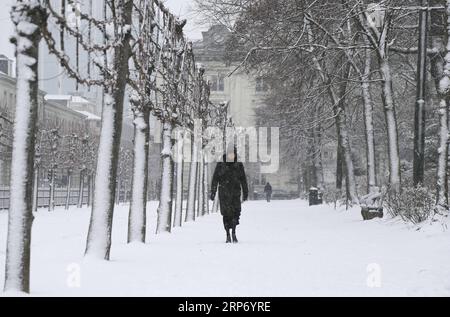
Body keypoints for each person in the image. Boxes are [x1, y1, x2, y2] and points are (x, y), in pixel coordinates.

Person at [210, 146, 248, 243]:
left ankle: (234, 232)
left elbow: (243, 180)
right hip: (224, 194)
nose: (231, 155)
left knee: (236, 213)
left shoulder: (239, 165)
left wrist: (245, 192)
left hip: (235, 193)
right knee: (226, 215)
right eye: (230, 153)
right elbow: (215, 179)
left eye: (233, 153)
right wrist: (213, 192)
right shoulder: (220, 165)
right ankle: (227, 234)